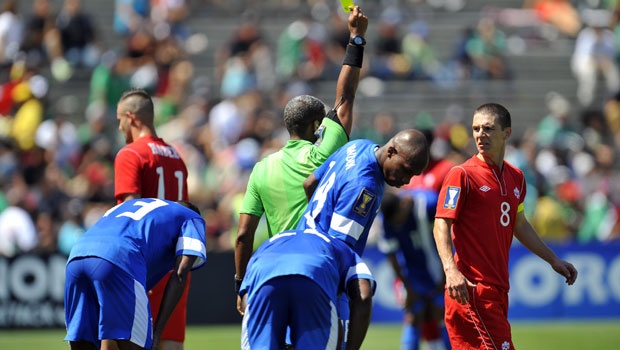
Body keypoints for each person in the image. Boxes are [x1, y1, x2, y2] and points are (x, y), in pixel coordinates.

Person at [234, 5, 368, 305]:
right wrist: (356, 38)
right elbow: (345, 98)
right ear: (316, 126)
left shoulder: (261, 168)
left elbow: (243, 235)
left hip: (270, 270)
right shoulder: (324, 153)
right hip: (316, 267)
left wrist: (241, 284)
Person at [433, 103, 578, 349]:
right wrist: (451, 270)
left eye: (488, 129)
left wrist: (553, 259)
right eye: (476, 128)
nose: (480, 135)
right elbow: (441, 224)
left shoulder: (516, 178)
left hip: (498, 291)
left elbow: (519, 224)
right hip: (472, 289)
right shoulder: (462, 175)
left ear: (506, 133)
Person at [296, 129, 430, 347]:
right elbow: (339, 248)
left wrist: (319, 221)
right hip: (320, 264)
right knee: (359, 303)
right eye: (405, 170)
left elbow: (309, 183)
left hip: (301, 242)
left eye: (412, 176)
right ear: (392, 151)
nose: (405, 180)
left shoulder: (358, 146)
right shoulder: (366, 186)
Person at [64, 198, 207, 350]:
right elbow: (179, 275)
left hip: (76, 255)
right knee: (136, 344)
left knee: (84, 344)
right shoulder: (190, 216)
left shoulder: (140, 206)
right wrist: (157, 333)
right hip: (119, 257)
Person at [114, 88, 191, 350]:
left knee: (118, 340)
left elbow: (130, 215)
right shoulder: (177, 157)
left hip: (142, 264)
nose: (120, 127)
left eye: (119, 120)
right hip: (174, 267)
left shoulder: (130, 154)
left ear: (131, 117)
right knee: (169, 343)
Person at [238, 228, 375, 350]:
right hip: (314, 272)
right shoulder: (343, 250)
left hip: (264, 269)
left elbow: (246, 301)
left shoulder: (267, 245)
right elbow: (363, 295)